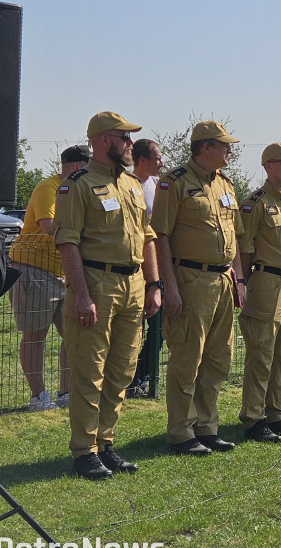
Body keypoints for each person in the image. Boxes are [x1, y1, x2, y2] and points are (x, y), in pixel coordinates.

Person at [53, 111, 161, 480]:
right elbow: (67, 242)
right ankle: (85, 451)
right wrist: (81, 296)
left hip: (133, 286)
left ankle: (106, 443)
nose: (131, 144)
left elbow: (147, 237)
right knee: (90, 370)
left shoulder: (131, 184)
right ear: (103, 141)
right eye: (124, 137)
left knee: (123, 369)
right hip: (96, 283)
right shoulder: (77, 185)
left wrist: (154, 284)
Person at [152, 120, 244, 456]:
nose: (230, 151)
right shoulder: (174, 182)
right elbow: (160, 235)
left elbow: (236, 235)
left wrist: (238, 278)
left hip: (222, 281)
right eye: (224, 145)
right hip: (190, 279)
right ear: (205, 147)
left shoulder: (225, 184)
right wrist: (169, 287)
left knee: (218, 358)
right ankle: (181, 432)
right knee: (188, 357)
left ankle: (207, 427)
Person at [9, 145, 89, 411]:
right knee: (35, 335)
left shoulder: (80, 190)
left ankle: (65, 393)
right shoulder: (49, 187)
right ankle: (38, 397)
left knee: (72, 335)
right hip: (34, 269)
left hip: (64, 271)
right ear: (78, 166)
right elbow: (48, 225)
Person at [236, 143, 281, 443]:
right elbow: (245, 248)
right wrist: (249, 283)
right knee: (262, 353)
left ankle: (276, 413)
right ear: (268, 166)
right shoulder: (255, 203)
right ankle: (254, 419)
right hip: (266, 281)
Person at [127, 138, 164, 398]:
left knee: (159, 328)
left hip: (156, 267)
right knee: (132, 329)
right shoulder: (127, 185)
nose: (161, 162)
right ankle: (125, 380)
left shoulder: (157, 186)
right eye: (157, 157)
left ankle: (142, 375)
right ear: (141, 160)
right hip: (132, 269)